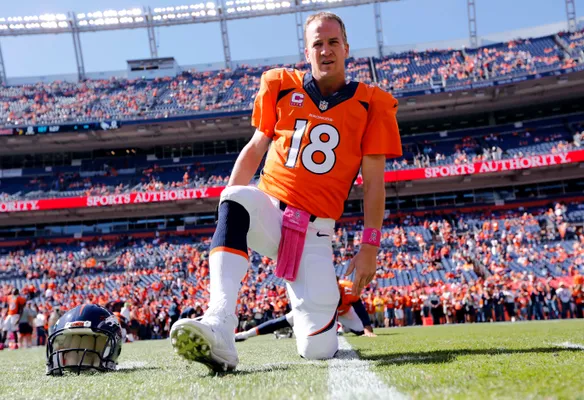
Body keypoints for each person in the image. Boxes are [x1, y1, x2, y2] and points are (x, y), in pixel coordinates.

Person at [170, 11, 401, 372]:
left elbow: (373, 183)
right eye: (317, 44)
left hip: (315, 233)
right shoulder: (280, 84)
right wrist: (226, 206)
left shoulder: (373, 104)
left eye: (333, 42)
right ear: (306, 53)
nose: (326, 50)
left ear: (346, 48)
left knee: (318, 351)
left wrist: (370, 244)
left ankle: (310, 313)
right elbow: (256, 146)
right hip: (271, 211)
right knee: (235, 196)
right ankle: (220, 323)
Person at [235, 279, 376, 341]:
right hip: (320, 312)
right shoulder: (316, 292)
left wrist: (367, 328)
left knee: (360, 330)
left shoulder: (348, 288)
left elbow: (359, 307)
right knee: (287, 320)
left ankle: (343, 327)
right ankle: (247, 334)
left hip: (344, 312)